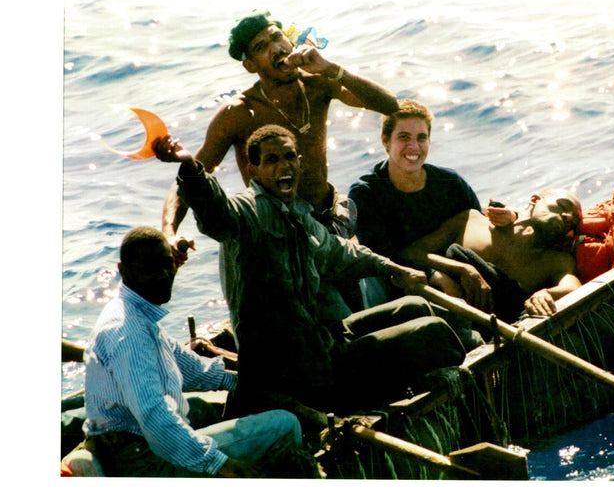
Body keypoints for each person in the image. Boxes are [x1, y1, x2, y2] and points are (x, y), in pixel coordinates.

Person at [153, 125, 468, 417]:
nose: (284, 166)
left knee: (416, 307)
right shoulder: (247, 212)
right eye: (272, 160)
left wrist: (390, 268)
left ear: (300, 162)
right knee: (434, 334)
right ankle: (370, 396)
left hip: (318, 342)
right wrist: (189, 165)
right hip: (292, 372)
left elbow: (340, 252)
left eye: (289, 156)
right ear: (253, 171)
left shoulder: (298, 215)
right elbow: (216, 212)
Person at [161, 11, 400, 266]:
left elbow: (389, 105)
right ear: (250, 65)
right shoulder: (239, 112)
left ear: (289, 40)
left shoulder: (319, 83)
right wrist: (168, 232)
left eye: (277, 37)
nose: (276, 49)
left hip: (329, 222)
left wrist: (332, 69)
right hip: (277, 235)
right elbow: (189, 179)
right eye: (261, 47)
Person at [81, 226, 307, 478]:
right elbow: (155, 416)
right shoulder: (128, 332)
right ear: (124, 271)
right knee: (285, 424)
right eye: (150, 268)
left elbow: (192, 369)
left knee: (202, 408)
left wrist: (239, 380)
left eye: (167, 264)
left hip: (135, 440)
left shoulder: (137, 314)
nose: (164, 275)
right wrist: (221, 464)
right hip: (140, 459)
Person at [348, 99, 481, 304]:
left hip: (455, 271)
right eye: (404, 137)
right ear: (385, 140)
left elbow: (477, 228)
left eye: (421, 138)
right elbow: (382, 257)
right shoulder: (366, 192)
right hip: (401, 285)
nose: (413, 147)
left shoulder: (451, 183)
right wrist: (433, 274)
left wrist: (505, 219)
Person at [399, 189, 583, 321]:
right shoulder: (471, 220)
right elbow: (411, 252)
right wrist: (462, 269)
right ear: (534, 200)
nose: (568, 217)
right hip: (435, 309)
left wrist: (547, 293)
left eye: (574, 221)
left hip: (487, 330)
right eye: (562, 206)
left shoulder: (556, 260)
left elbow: (574, 288)